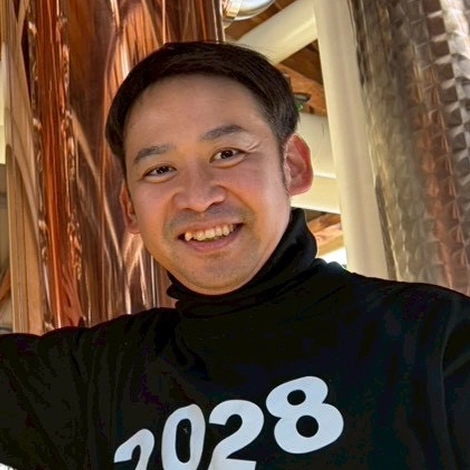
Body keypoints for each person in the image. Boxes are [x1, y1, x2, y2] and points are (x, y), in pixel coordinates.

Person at [0, 41, 469, 470]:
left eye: (227, 153)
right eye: (160, 169)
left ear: (293, 166)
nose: (198, 196)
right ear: (130, 209)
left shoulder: (434, 338)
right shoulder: (92, 383)